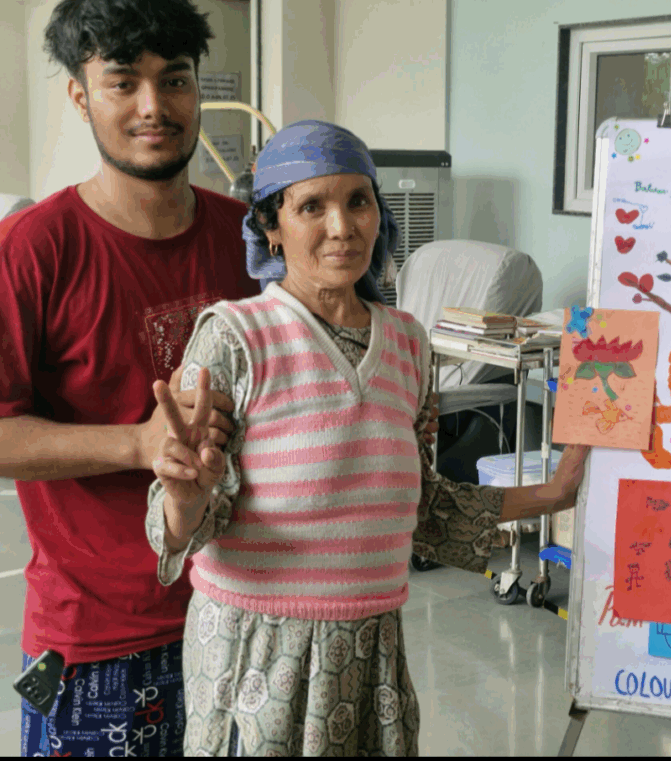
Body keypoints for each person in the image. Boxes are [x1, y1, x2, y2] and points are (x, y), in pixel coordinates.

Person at [144, 119, 590, 756]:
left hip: (371, 657)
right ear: (270, 227)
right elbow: (182, 524)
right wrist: (183, 501)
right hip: (259, 658)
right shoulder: (235, 339)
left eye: (358, 201)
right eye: (311, 207)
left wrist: (555, 494)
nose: (341, 226)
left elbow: (420, 510)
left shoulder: (408, 344)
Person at [2, 1, 262, 756]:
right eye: (123, 82)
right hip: (98, 647)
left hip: (248, 618)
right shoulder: (32, 250)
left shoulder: (248, 240)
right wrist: (139, 444)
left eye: (173, 79)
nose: (154, 106)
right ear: (80, 96)